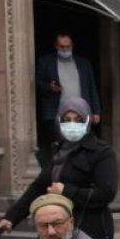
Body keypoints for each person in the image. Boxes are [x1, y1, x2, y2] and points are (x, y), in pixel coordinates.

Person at [0, 97, 118, 239]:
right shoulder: (59, 151)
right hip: (55, 231)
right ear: (59, 121)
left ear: (87, 120)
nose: (72, 124)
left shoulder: (101, 152)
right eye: (67, 119)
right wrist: (11, 217)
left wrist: (66, 191)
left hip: (90, 230)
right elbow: (38, 188)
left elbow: (106, 192)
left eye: (78, 119)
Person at [35, 32, 102, 166]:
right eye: (61, 47)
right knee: (60, 146)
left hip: (81, 114)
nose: (65, 50)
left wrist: (96, 111)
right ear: (56, 46)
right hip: (56, 113)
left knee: (81, 145)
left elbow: (91, 87)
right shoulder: (45, 62)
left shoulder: (83, 64)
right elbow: (36, 83)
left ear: (72, 46)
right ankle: (60, 176)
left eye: (67, 46)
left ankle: (80, 174)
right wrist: (50, 87)